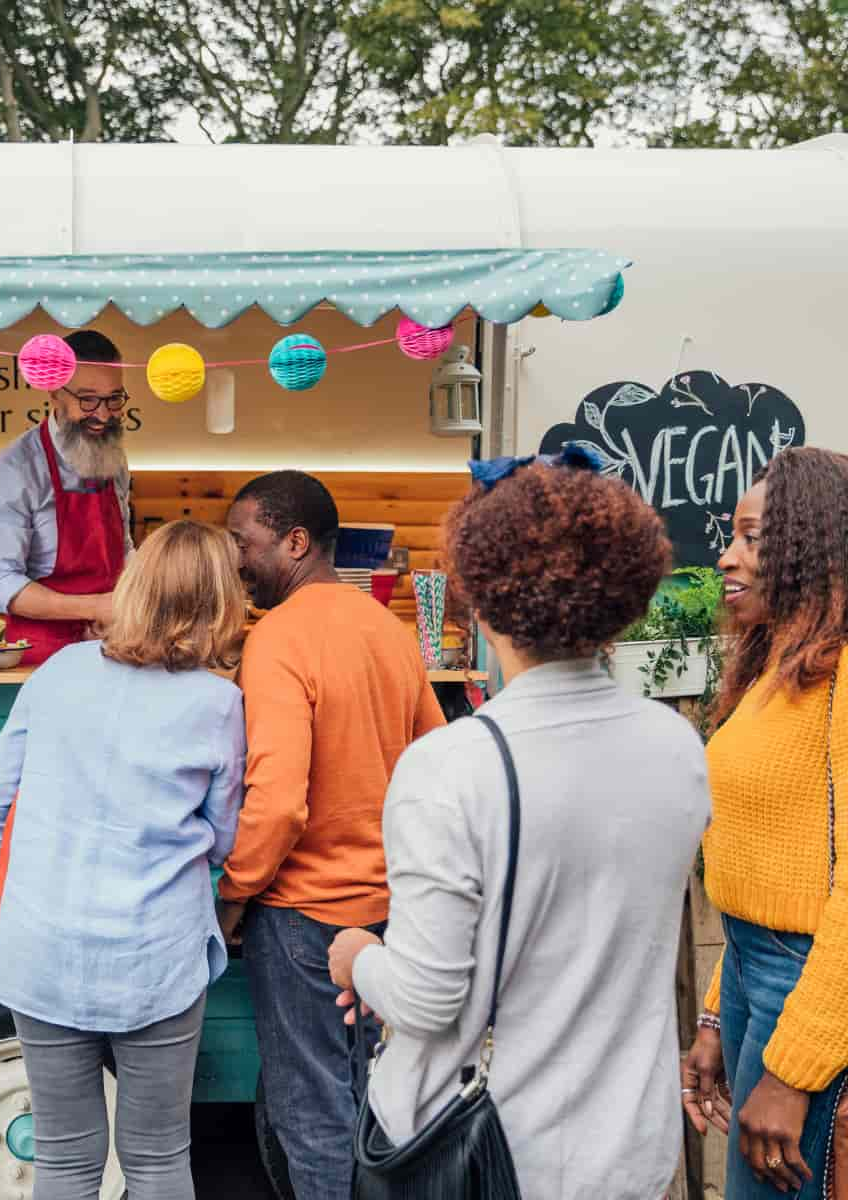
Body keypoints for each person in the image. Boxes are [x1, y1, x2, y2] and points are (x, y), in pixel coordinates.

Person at [328, 448, 711, 1200]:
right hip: (629, 1145)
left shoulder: (449, 766)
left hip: (489, 1151)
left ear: (482, 597)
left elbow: (427, 1000)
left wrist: (358, 959)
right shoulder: (678, 748)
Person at [0, 520, 247, 1200]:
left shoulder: (61, 670)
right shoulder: (219, 704)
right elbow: (224, 837)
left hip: (42, 946)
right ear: (221, 604)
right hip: (155, 954)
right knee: (157, 1159)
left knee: (65, 1162)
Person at [215, 469, 445, 1200]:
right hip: (390, 913)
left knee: (312, 1116)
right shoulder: (390, 630)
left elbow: (277, 803)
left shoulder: (276, 639)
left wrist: (232, 893)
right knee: (380, 1107)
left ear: (295, 541)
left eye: (241, 542)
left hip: (303, 917)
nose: (234, 559)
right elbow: (434, 764)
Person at [682, 447, 848, 1199]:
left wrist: (793, 1069)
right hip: (756, 971)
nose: (726, 556)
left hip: (812, 990)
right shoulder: (774, 667)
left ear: (816, 547)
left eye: (752, 538)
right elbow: (770, 868)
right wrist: (718, 1012)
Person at [0, 329, 134, 666]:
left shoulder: (114, 458)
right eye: (88, 399)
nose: (102, 415)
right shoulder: (14, 471)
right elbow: (0, 583)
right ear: (55, 391)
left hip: (113, 645)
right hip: (39, 657)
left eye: (114, 399)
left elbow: (124, 549)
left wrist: (138, 596)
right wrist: (97, 607)